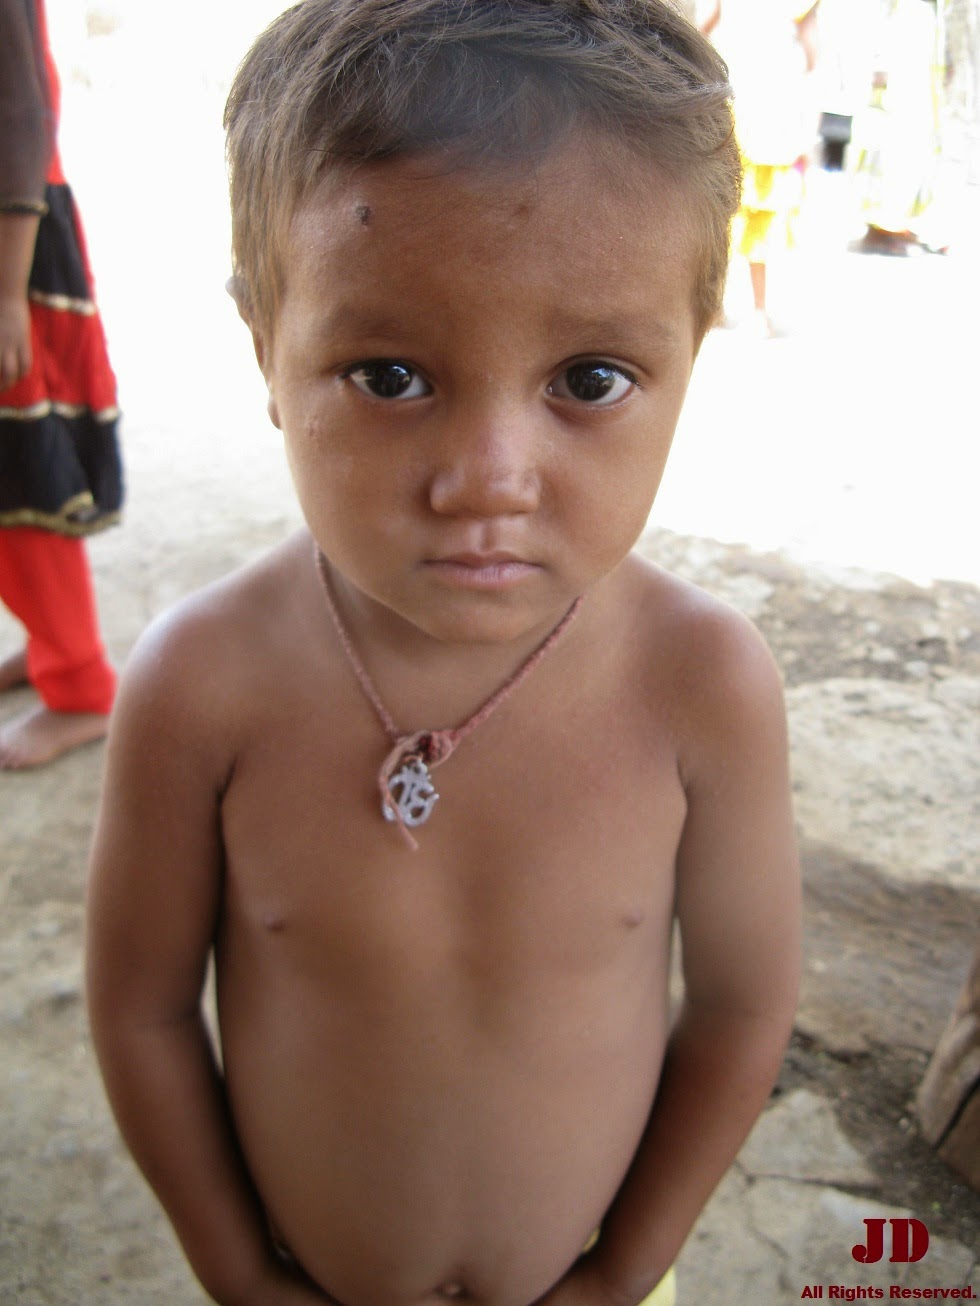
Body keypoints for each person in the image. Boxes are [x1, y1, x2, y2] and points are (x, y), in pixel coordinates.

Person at [85, 3, 801, 1305]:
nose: (488, 478)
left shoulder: (702, 687)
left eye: (589, 379)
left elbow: (742, 1005)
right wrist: (237, 1275)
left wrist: (624, 1273)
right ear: (266, 349)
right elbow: (141, 1011)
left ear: (690, 352)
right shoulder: (201, 684)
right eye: (389, 376)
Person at [0, 0, 123, 769]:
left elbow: (21, 111)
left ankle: (79, 684)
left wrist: (6, 292)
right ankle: (49, 644)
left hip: (8, 246)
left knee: (22, 466)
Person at [699, 0, 820, 335]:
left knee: (722, 213)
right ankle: (758, 311)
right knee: (756, 220)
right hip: (772, 120)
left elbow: (702, 31)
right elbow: (813, 59)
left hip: (736, 115)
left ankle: (718, 305)